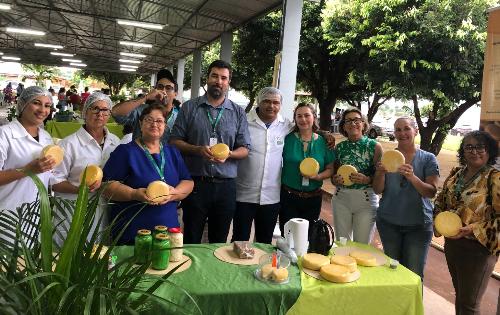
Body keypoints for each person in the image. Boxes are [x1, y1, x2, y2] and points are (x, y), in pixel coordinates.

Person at [170, 59, 251, 244]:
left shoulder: (238, 112)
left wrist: (229, 154)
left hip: (226, 187)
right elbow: (174, 141)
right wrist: (197, 149)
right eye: (215, 76)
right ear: (207, 79)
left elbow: (245, 149)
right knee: (191, 237)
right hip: (196, 184)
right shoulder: (190, 107)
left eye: (224, 78)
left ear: (229, 82)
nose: (219, 81)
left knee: (219, 240)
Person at [103, 104, 193, 245]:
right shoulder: (126, 151)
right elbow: (106, 186)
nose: (154, 124)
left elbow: (188, 182)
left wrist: (174, 193)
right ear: (140, 123)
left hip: (168, 231)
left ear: (165, 125)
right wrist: (134, 194)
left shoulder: (172, 152)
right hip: (133, 231)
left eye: (159, 121)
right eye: (149, 120)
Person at [434, 131, 499, 314]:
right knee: (461, 297)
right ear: (463, 151)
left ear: (489, 151)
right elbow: (440, 201)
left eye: (480, 146)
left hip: (478, 249)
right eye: (469, 147)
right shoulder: (456, 174)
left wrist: (474, 228)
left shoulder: (494, 179)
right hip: (453, 245)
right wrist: (440, 220)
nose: (474, 151)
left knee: (470, 304)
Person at [372, 117, 439, 278]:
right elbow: (377, 189)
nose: (402, 133)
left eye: (406, 128)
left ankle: (413, 304)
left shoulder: (428, 158)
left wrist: (412, 177)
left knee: (413, 274)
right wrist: (380, 173)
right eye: (398, 130)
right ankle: (393, 304)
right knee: (393, 271)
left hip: (418, 225)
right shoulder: (388, 157)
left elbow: (431, 192)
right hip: (389, 223)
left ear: (415, 131)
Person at [51, 92, 120, 243]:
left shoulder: (115, 142)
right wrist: (80, 189)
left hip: (104, 210)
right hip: (73, 211)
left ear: (109, 114)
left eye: (105, 110)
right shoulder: (68, 145)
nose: (100, 114)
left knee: (99, 255)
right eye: (95, 108)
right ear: (85, 111)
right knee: (71, 255)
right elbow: (54, 182)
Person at [231, 87, 292, 244]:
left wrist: (326, 135)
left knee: (264, 242)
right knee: (239, 240)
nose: (271, 106)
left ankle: (261, 268)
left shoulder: (285, 125)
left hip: (271, 197)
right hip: (244, 195)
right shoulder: (243, 121)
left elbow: (306, 128)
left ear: (280, 105)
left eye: (275, 103)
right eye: (266, 101)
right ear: (259, 102)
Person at [279, 103, 334, 236]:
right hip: (288, 197)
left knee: (308, 237)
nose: (303, 119)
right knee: (288, 236)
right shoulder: (287, 139)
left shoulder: (324, 142)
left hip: (313, 198)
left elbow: (330, 168)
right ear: (295, 119)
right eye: (299, 116)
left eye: (307, 115)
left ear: (314, 117)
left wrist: (318, 177)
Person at [330, 107, 382, 243]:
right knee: (342, 243)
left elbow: (381, 178)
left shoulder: (374, 146)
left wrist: (368, 179)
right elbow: (333, 176)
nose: (353, 123)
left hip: (366, 200)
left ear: (364, 124)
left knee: (362, 246)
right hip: (341, 199)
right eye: (348, 121)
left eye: (357, 120)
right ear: (344, 127)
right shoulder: (339, 148)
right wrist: (336, 179)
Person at [0, 86, 56, 211]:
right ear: (23, 104)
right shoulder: (4, 134)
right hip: (7, 214)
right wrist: (26, 170)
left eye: (47, 105)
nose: (42, 110)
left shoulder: (46, 137)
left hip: (36, 214)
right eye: (36, 103)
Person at [112, 69, 178, 144]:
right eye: (160, 87)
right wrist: (146, 97)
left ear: (175, 94)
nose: (163, 91)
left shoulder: (180, 116)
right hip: (139, 155)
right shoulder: (142, 110)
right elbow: (115, 112)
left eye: (168, 88)